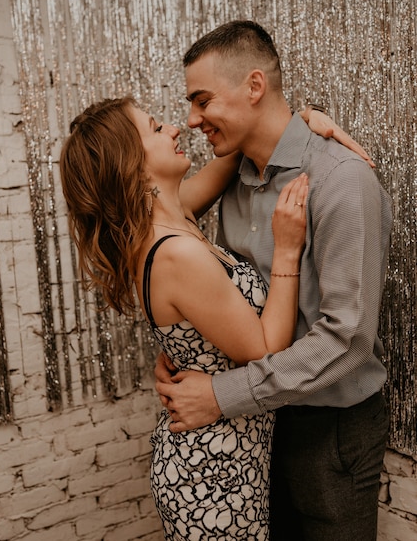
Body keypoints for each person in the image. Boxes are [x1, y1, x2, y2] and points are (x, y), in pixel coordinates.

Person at [59, 94, 368, 540]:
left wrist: (295, 122)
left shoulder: (172, 214)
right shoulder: (175, 252)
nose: (174, 129)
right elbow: (266, 350)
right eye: (155, 128)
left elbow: (242, 146)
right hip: (213, 475)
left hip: (227, 458)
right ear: (131, 162)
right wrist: (286, 248)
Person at [155, 20, 393, 541]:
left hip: (327, 430)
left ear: (255, 86)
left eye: (202, 100)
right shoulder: (233, 184)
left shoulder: (342, 182)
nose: (192, 119)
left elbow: (348, 339)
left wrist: (221, 395)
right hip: (255, 429)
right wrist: (184, 351)